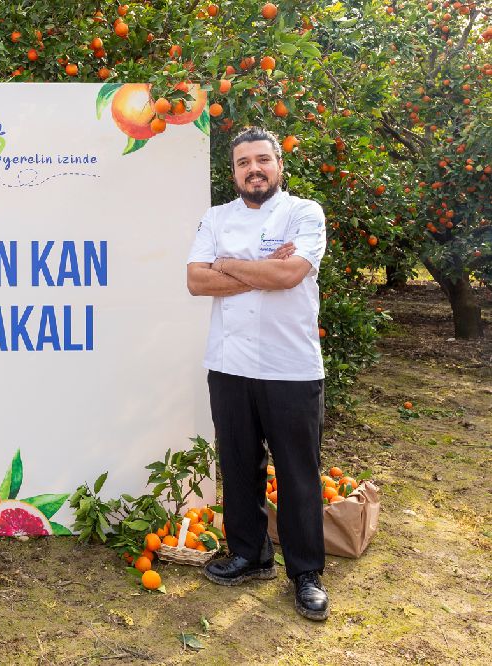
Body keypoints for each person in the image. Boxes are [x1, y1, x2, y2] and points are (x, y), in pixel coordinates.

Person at [186, 127, 329, 621]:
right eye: (244, 162)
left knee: (298, 472)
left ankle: (306, 572)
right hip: (229, 364)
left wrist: (227, 265)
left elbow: (290, 274)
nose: (254, 169)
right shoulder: (216, 217)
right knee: (239, 464)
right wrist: (257, 267)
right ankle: (249, 554)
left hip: (290, 366)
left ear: (279, 165)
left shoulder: (304, 213)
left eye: (263, 160)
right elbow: (195, 281)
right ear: (234, 172)